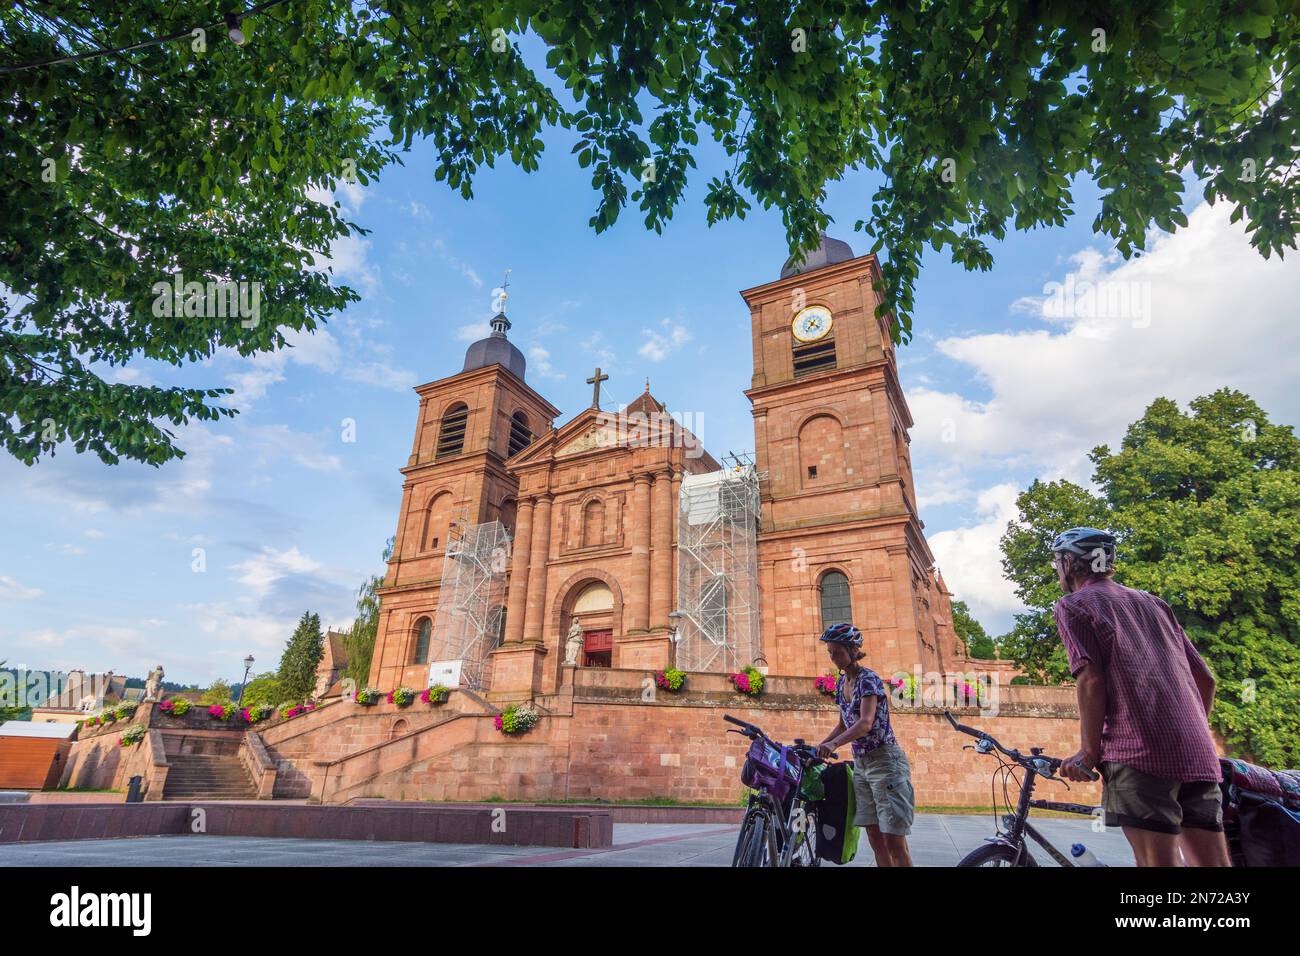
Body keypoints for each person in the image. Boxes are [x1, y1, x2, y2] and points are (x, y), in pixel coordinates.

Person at [1051, 527, 1229, 867]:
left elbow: (1091, 679)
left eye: (1058, 562)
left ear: (1070, 563)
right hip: (1198, 754)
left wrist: (1089, 753)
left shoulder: (1074, 605)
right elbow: (1205, 680)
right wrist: (1186, 734)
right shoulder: (1154, 603)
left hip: (1141, 755)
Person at [815, 622, 915, 866]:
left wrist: (835, 744)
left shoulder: (868, 679)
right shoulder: (841, 684)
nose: (833, 657)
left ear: (852, 650)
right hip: (862, 766)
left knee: (894, 842)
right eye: (830, 652)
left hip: (885, 762)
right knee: (875, 838)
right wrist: (821, 745)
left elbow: (865, 723)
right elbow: (842, 723)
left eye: (837, 652)